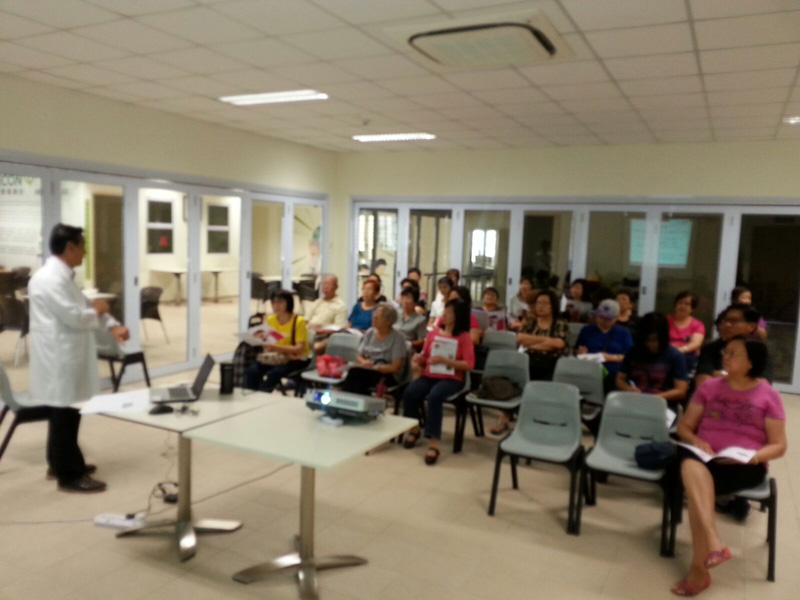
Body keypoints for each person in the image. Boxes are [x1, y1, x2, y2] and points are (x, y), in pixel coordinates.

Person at [672, 337, 786, 597]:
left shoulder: (768, 395)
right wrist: (697, 440)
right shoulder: (709, 387)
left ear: (751, 363)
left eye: (734, 353)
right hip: (705, 458)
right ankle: (712, 545)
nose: (726, 356)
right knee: (690, 463)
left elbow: (779, 446)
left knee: (697, 489)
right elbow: (684, 427)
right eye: (727, 351)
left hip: (745, 466)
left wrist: (752, 457)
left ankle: (699, 570)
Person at [24, 224, 129, 493]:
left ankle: (57, 463)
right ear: (69, 247)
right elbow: (76, 316)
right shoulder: (50, 279)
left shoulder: (62, 276)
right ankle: (69, 475)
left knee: (65, 411)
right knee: (65, 413)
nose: (84, 252)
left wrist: (112, 325)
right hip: (59, 357)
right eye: (82, 246)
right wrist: (100, 311)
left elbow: (84, 306)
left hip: (65, 354)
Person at [402, 299, 475, 466]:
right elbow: (425, 356)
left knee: (435, 396)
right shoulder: (433, 334)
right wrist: (420, 359)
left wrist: (445, 360)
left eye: (449, 313)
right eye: (445, 312)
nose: (444, 315)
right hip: (430, 374)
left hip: (452, 379)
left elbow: (469, 365)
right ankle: (414, 429)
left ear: (458, 316)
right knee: (410, 392)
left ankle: (434, 442)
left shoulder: (464, 337)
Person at [490, 290, 568, 435]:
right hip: (528, 358)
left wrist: (532, 343)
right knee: (512, 377)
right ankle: (505, 416)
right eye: (538, 303)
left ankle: (533, 419)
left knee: (539, 382)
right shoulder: (531, 322)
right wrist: (546, 341)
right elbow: (520, 339)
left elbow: (558, 344)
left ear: (553, 306)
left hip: (551, 362)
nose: (540, 306)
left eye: (545, 303)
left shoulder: (559, 323)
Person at [616, 313, 688, 405]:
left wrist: (654, 399)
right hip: (634, 401)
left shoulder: (675, 356)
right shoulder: (633, 352)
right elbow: (620, 379)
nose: (652, 344)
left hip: (661, 404)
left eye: (656, 340)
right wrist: (628, 389)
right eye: (648, 340)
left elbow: (681, 391)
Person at [245, 290, 310, 393]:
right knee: (252, 370)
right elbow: (269, 341)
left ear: (288, 303)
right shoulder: (271, 319)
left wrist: (276, 348)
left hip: (296, 358)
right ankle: (250, 395)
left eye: (280, 302)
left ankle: (262, 395)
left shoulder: (298, 321)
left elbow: (299, 348)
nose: (276, 306)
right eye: (274, 302)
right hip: (277, 356)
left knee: (275, 373)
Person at [695, 305, 772, 388]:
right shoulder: (710, 349)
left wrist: (722, 376)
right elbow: (703, 383)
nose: (727, 324)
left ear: (751, 326)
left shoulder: (759, 351)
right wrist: (743, 380)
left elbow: (763, 386)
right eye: (726, 320)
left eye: (734, 321)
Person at [575, 299, 634, 391]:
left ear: (616, 318)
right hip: (589, 367)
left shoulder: (623, 333)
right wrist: (580, 352)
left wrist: (610, 357)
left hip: (613, 371)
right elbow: (577, 349)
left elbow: (629, 357)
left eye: (608, 319)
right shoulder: (586, 330)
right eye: (601, 317)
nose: (603, 321)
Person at [350, 303, 407, 392]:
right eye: (375, 313)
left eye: (380, 315)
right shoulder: (370, 332)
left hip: (387, 374)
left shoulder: (398, 338)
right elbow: (358, 355)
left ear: (389, 321)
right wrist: (364, 362)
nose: (375, 317)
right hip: (368, 370)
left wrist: (376, 367)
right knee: (353, 374)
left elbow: (395, 367)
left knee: (358, 378)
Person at [668, 291, 706, 373]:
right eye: (680, 303)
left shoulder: (698, 324)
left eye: (687, 304)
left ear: (692, 308)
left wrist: (679, 351)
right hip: (667, 354)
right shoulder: (665, 321)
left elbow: (696, 344)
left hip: (688, 356)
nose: (682, 306)